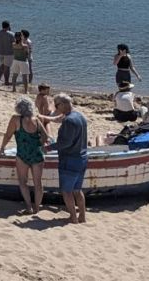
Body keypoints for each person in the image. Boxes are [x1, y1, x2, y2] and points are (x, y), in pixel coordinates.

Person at [0, 98, 49, 214]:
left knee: (23, 182)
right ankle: (37, 207)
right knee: (38, 183)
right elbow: (45, 136)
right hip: (37, 154)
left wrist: (2, 148)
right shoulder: (36, 120)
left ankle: (28, 206)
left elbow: (8, 135)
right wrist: (40, 144)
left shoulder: (16, 119)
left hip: (22, 154)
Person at [51, 95, 88, 224]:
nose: (56, 108)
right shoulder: (81, 116)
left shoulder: (69, 120)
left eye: (56, 105)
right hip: (82, 158)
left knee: (67, 191)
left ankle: (73, 217)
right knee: (77, 190)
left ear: (62, 104)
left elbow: (64, 143)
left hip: (70, 159)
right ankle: (82, 216)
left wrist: (48, 148)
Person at [0, 21, 14, 86]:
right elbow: (14, 43)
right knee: (7, 67)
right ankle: (6, 81)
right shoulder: (11, 34)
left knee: (2, 65)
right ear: (8, 26)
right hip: (9, 53)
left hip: (0, 52)